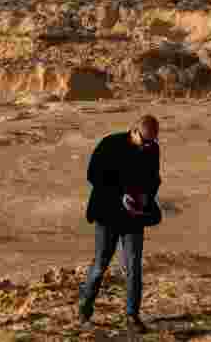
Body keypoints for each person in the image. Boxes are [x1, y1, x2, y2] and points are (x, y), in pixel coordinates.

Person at [78, 114, 163, 334]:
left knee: (134, 267)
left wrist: (146, 196)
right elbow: (93, 175)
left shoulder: (153, 149)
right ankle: (85, 308)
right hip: (107, 214)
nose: (148, 145)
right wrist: (120, 195)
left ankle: (132, 315)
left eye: (152, 141)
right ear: (135, 132)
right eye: (145, 141)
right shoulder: (111, 144)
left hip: (134, 216)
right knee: (100, 265)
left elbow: (154, 178)